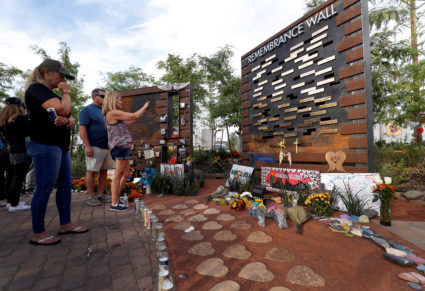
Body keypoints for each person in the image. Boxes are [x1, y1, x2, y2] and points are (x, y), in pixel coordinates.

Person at [25, 59, 88, 245]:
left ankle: (65, 224)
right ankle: (38, 232)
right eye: (60, 75)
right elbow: (63, 109)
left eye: (64, 77)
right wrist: (67, 93)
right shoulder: (36, 89)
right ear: (46, 72)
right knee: (44, 187)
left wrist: (69, 121)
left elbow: (69, 117)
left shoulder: (49, 93)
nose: (63, 79)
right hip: (45, 144)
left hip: (59, 145)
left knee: (65, 184)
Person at [102, 92, 149, 211]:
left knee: (126, 173)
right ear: (113, 101)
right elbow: (133, 116)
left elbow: (129, 121)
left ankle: (117, 198)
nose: (121, 102)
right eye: (119, 100)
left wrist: (141, 112)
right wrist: (144, 106)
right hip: (120, 147)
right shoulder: (112, 113)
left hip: (123, 147)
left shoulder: (116, 115)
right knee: (118, 174)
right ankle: (114, 203)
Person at [79, 88, 114, 206]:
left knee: (104, 171)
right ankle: (90, 196)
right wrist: (87, 146)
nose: (105, 99)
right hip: (94, 146)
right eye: (103, 96)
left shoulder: (106, 110)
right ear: (94, 96)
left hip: (107, 146)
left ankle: (100, 194)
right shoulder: (87, 110)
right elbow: (82, 128)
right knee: (92, 170)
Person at [0, 97, 32, 212]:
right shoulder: (20, 119)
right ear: (19, 106)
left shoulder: (4, 119)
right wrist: (26, 114)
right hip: (19, 151)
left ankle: (10, 201)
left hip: (6, 149)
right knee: (18, 178)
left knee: (10, 176)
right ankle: (15, 204)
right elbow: (29, 131)